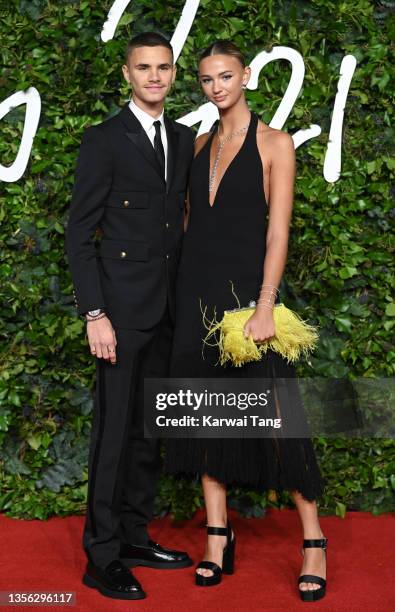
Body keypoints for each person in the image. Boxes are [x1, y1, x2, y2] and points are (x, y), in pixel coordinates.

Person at [164, 40, 328, 602]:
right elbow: (186, 224)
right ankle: (217, 535)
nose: (216, 88)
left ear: (248, 77)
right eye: (207, 80)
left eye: (226, 77)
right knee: (204, 417)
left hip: (246, 301)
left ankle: (313, 541)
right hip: (194, 297)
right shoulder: (198, 143)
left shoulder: (275, 143)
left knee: (281, 419)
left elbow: (278, 231)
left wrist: (265, 303)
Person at [66, 32, 195, 600]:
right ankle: (101, 556)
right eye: (143, 68)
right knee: (114, 435)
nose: (154, 77)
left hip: (166, 309)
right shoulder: (103, 140)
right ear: (127, 75)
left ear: (173, 73)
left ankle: (135, 536)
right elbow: (79, 235)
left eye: (163, 68)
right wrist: (95, 313)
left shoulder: (184, 138)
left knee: (149, 432)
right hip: (118, 312)